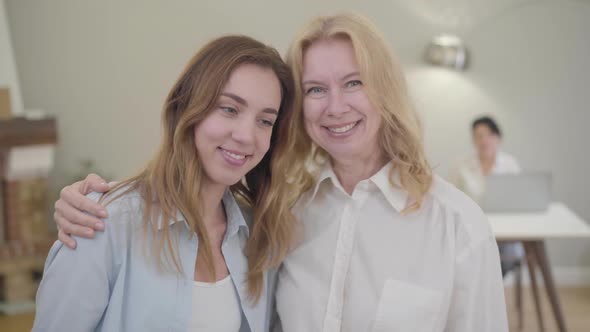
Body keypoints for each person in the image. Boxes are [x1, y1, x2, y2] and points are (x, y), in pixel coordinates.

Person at [50, 13, 508, 332]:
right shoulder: (283, 219)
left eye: (354, 82)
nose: (335, 106)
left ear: (385, 89)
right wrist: (90, 205)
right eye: (315, 89)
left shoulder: (458, 225)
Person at [33, 35, 297, 332]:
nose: (247, 136)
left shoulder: (259, 235)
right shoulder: (100, 221)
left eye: (265, 121)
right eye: (230, 109)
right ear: (187, 107)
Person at [450, 115, 523, 276]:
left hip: (505, 228)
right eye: (479, 136)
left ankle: (492, 285)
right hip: (471, 228)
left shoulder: (510, 164)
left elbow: (519, 199)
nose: (484, 140)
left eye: (489, 135)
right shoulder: (461, 164)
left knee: (500, 256)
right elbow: (451, 198)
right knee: (468, 257)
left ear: (498, 138)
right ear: (473, 140)